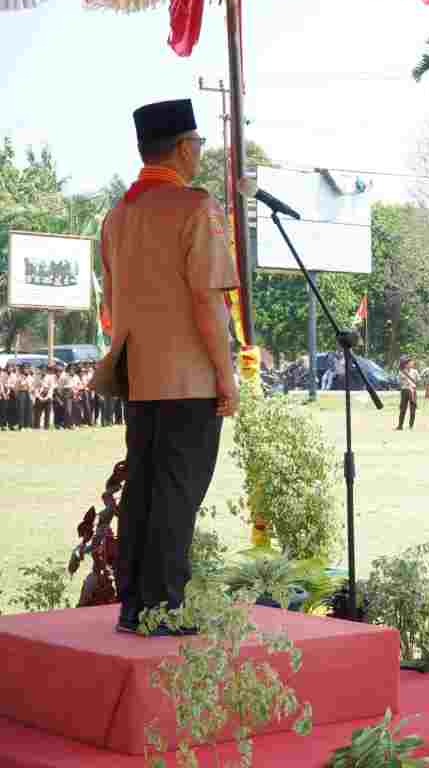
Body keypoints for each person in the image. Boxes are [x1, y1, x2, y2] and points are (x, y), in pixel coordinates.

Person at [100, 99, 239, 635]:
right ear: (183, 148)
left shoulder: (118, 214)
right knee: (178, 491)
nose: (199, 152)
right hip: (188, 377)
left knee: (144, 488)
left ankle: (134, 605)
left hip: (140, 372)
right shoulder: (193, 207)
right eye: (198, 143)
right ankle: (164, 608)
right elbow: (209, 302)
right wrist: (226, 377)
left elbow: (111, 304)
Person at [396, 357, 419, 430]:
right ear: (406, 364)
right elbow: (399, 383)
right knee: (403, 409)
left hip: (413, 391)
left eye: (411, 362)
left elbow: (418, 381)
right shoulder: (401, 372)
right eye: (409, 363)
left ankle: (411, 426)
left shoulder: (415, 371)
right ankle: (400, 425)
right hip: (405, 390)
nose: (411, 364)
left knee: (413, 409)